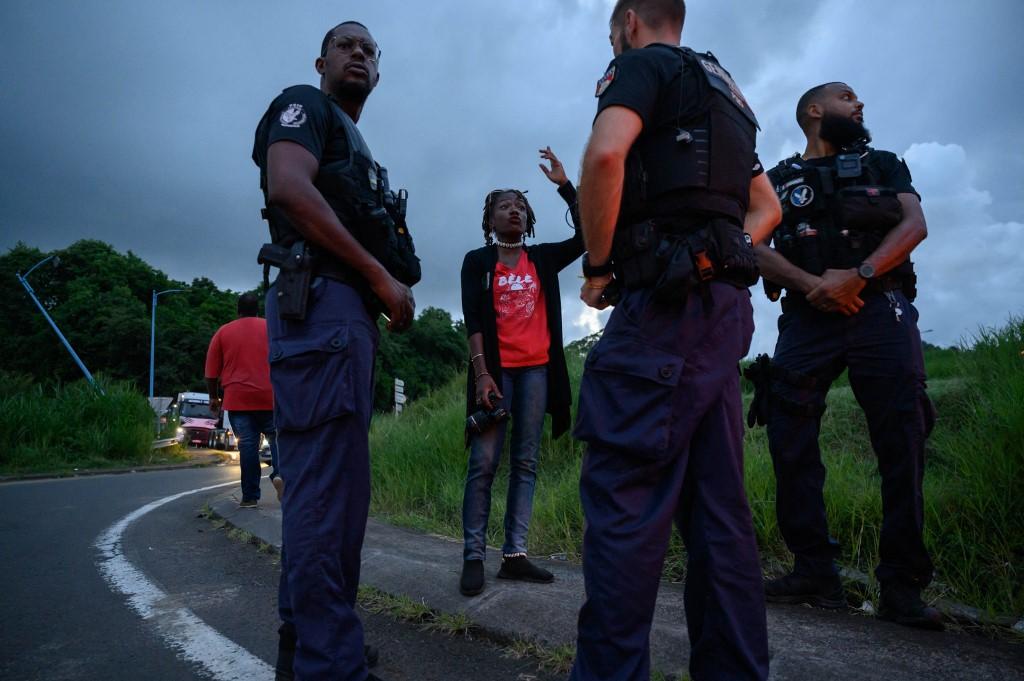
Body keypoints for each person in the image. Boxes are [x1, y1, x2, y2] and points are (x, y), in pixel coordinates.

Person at [569, 1, 782, 679]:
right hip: (721, 317)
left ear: (630, 20)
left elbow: (605, 155)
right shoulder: (728, 93)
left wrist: (599, 267)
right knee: (720, 516)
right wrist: (717, 253)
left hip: (661, 317)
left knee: (625, 507)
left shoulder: (641, 66)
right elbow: (768, 207)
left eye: (612, 31)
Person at [252, 20, 418, 681]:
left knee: (325, 495)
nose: (359, 54)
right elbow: (287, 187)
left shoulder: (362, 150)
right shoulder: (305, 106)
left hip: (341, 315)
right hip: (321, 303)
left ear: (379, 72)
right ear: (321, 60)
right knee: (326, 501)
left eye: (370, 50)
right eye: (347, 45)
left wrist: (386, 281)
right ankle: (331, 666)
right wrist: (379, 277)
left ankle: (306, 648)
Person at [749, 82, 941, 630]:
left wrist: (857, 276)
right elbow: (753, 245)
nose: (859, 105)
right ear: (815, 110)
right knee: (789, 437)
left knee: (902, 440)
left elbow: (914, 225)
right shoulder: (779, 180)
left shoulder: (883, 163)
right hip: (808, 316)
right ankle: (814, 570)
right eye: (847, 97)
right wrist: (815, 284)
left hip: (880, 308)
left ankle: (901, 586)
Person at [458, 147, 583, 597]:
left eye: (520, 205)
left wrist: (566, 187)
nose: (513, 209)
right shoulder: (478, 262)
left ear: (528, 218)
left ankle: (514, 555)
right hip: (496, 375)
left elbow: (588, 234)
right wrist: (482, 374)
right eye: (503, 205)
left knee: (525, 462)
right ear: (489, 219)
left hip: (536, 373)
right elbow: (474, 319)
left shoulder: (544, 259)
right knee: (485, 462)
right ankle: (474, 555)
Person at [204, 292, 279, 507]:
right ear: (258, 310)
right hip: (270, 396)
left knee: (247, 446)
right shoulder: (272, 328)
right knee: (277, 440)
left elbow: (210, 374)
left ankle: (250, 497)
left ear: (238, 311)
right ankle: (280, 475)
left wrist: (214, 398)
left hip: (238, 399)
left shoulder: (224, 332)